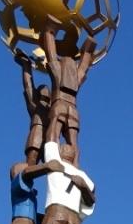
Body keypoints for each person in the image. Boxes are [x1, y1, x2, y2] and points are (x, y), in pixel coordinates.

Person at [40, 26, 95, 161]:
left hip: (59, 105)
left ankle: (52, 159)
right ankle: (75, 165)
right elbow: (84, 66)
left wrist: (49, 31)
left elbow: (51, 55)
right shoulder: (77, 76)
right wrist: (89, 46)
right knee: (74, 142)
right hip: (73, 111)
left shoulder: (58, 68)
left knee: (54, 133)